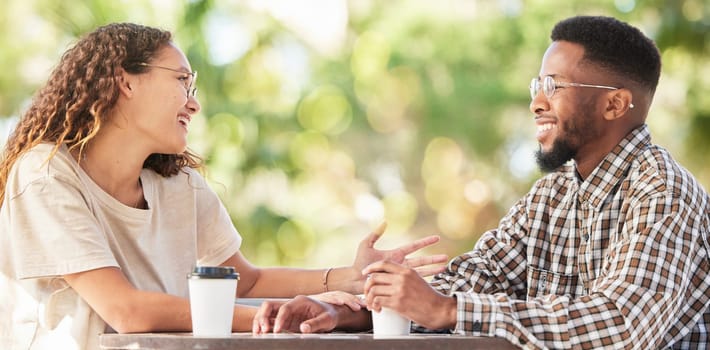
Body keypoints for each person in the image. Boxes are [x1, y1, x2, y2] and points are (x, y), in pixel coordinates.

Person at [252, 15, 710, 349]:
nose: (536, 102)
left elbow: (624, 324)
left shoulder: (663, 191)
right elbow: (475, 277)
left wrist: (446, 311)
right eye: (537, 84)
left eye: (555, 86)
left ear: (614, 105)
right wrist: (348, 309)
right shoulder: (551, 195)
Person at [0, 23, 449, 350]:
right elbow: (126, 311)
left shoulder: (179, 186)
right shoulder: (45, 174)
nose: (193, 103)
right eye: (182, 81)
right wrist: (274, 319)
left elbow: (246, 279)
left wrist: (347, 279)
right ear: (124, 81)